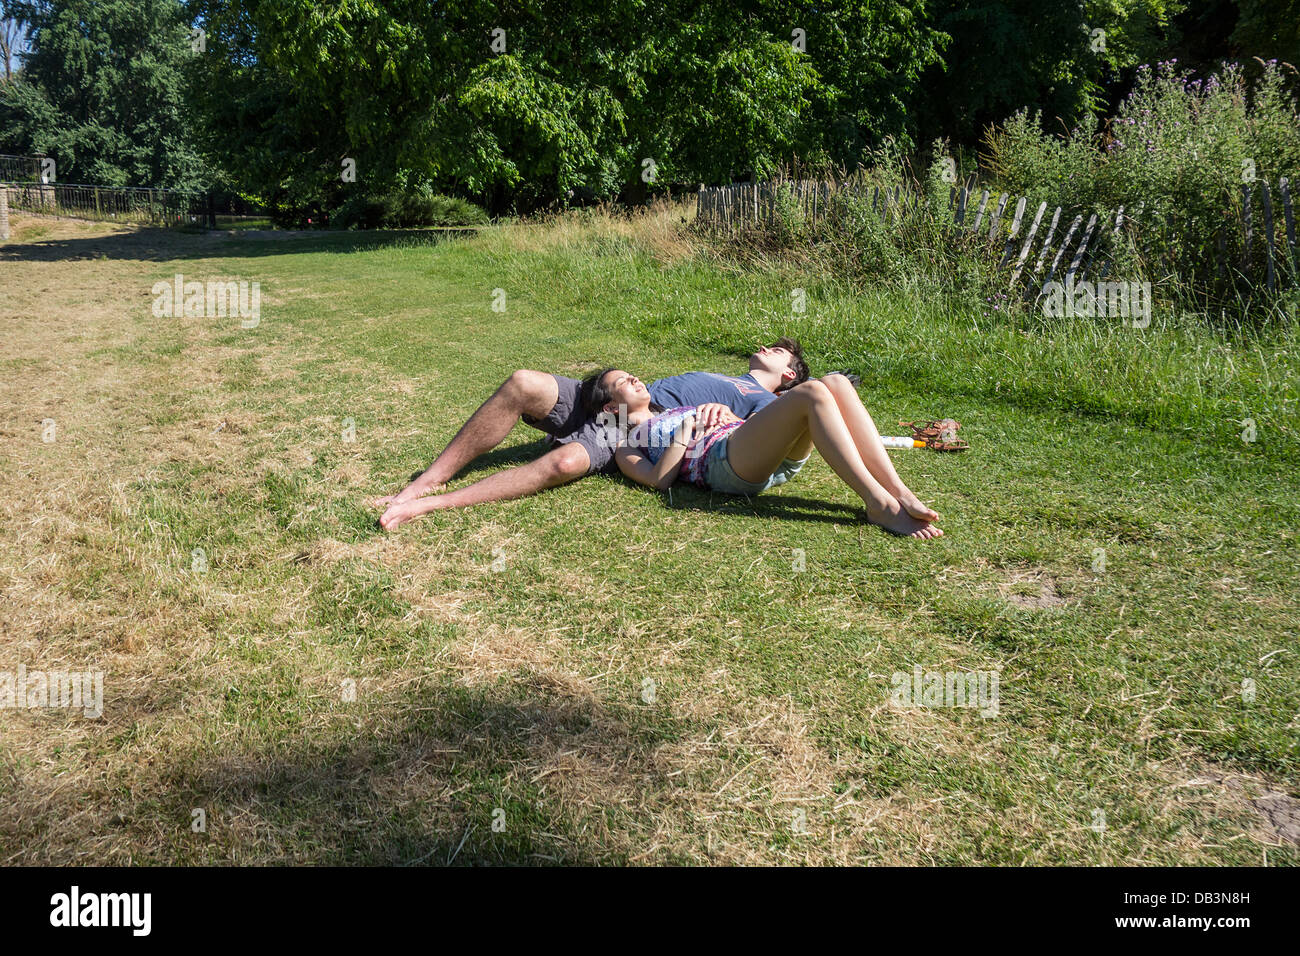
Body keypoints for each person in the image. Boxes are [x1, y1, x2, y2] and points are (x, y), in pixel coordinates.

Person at [374, 339, 810, 528]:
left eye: (780, 352)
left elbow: (765, 434)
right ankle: (431, 477)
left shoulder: (768, 401)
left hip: (633, 423)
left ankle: (433, 503)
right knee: (524, 381)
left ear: (789, 376)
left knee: (565, 462)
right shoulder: (735, 376)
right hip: (609, 393)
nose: (768, 348)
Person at [588, 368, 943, 539]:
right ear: (609, 406)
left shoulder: (672, 409)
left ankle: (899, 492)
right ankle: (878, 503)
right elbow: (657, 480)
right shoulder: (628, 443)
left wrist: (720, 412)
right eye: (622, 382)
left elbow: (738, 422)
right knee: (812, 393)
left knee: (834, 382)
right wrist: (686, 431)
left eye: (631, 375)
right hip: (723, 464)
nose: (634, 379)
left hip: (746, 446)